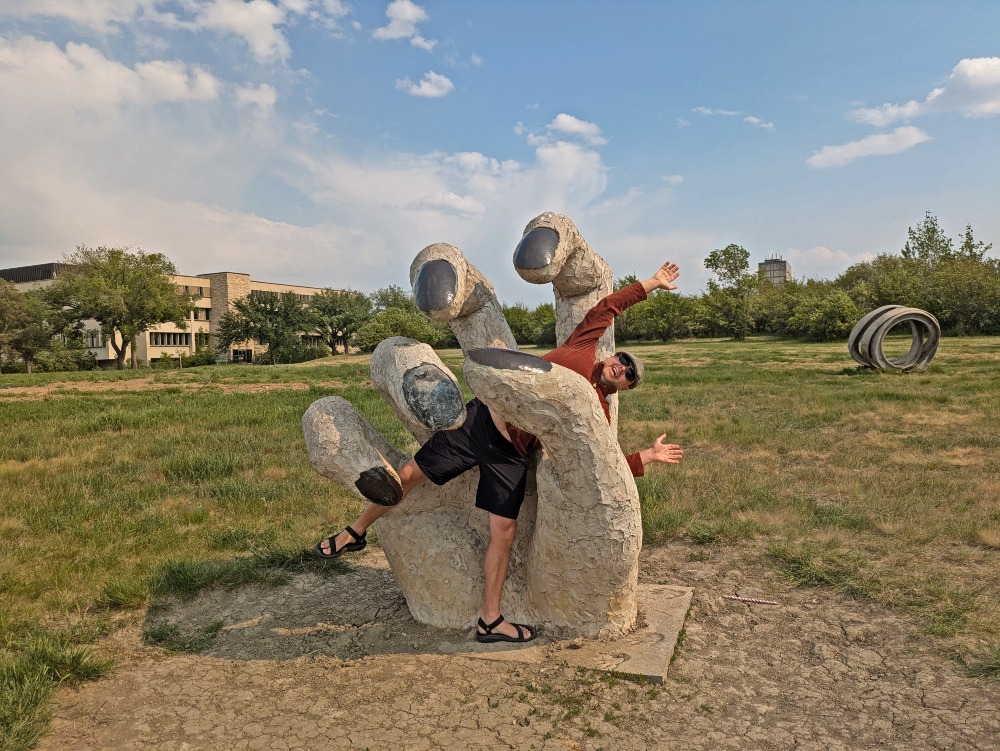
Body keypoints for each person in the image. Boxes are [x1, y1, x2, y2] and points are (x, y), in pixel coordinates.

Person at [315, 261, 685, 643]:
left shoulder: (598, 415)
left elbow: (598, 468)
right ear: (609, 356)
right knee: (407, 476)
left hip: (510, 457)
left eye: (629, 375)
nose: (621, 368)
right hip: (478, 425)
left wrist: (646, 457)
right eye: (621, 360)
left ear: (624, 387)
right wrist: (653, 284)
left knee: (503, 533)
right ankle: (355, 532)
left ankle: (490, 620)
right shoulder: (580, 350)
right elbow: (606, 307)